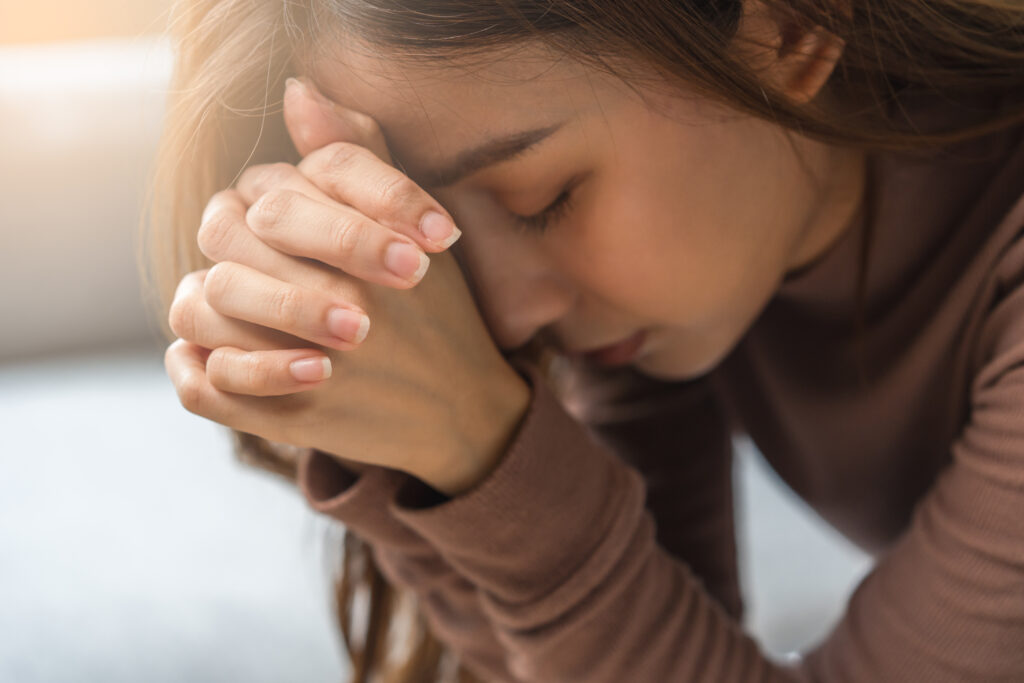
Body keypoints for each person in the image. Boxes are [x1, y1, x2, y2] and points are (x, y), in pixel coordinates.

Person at [145, 0, 1024, 680]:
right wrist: (409, 431)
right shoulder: (661, 294)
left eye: (543, 199)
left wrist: (486, 448)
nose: (506, 318)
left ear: (792, 25)